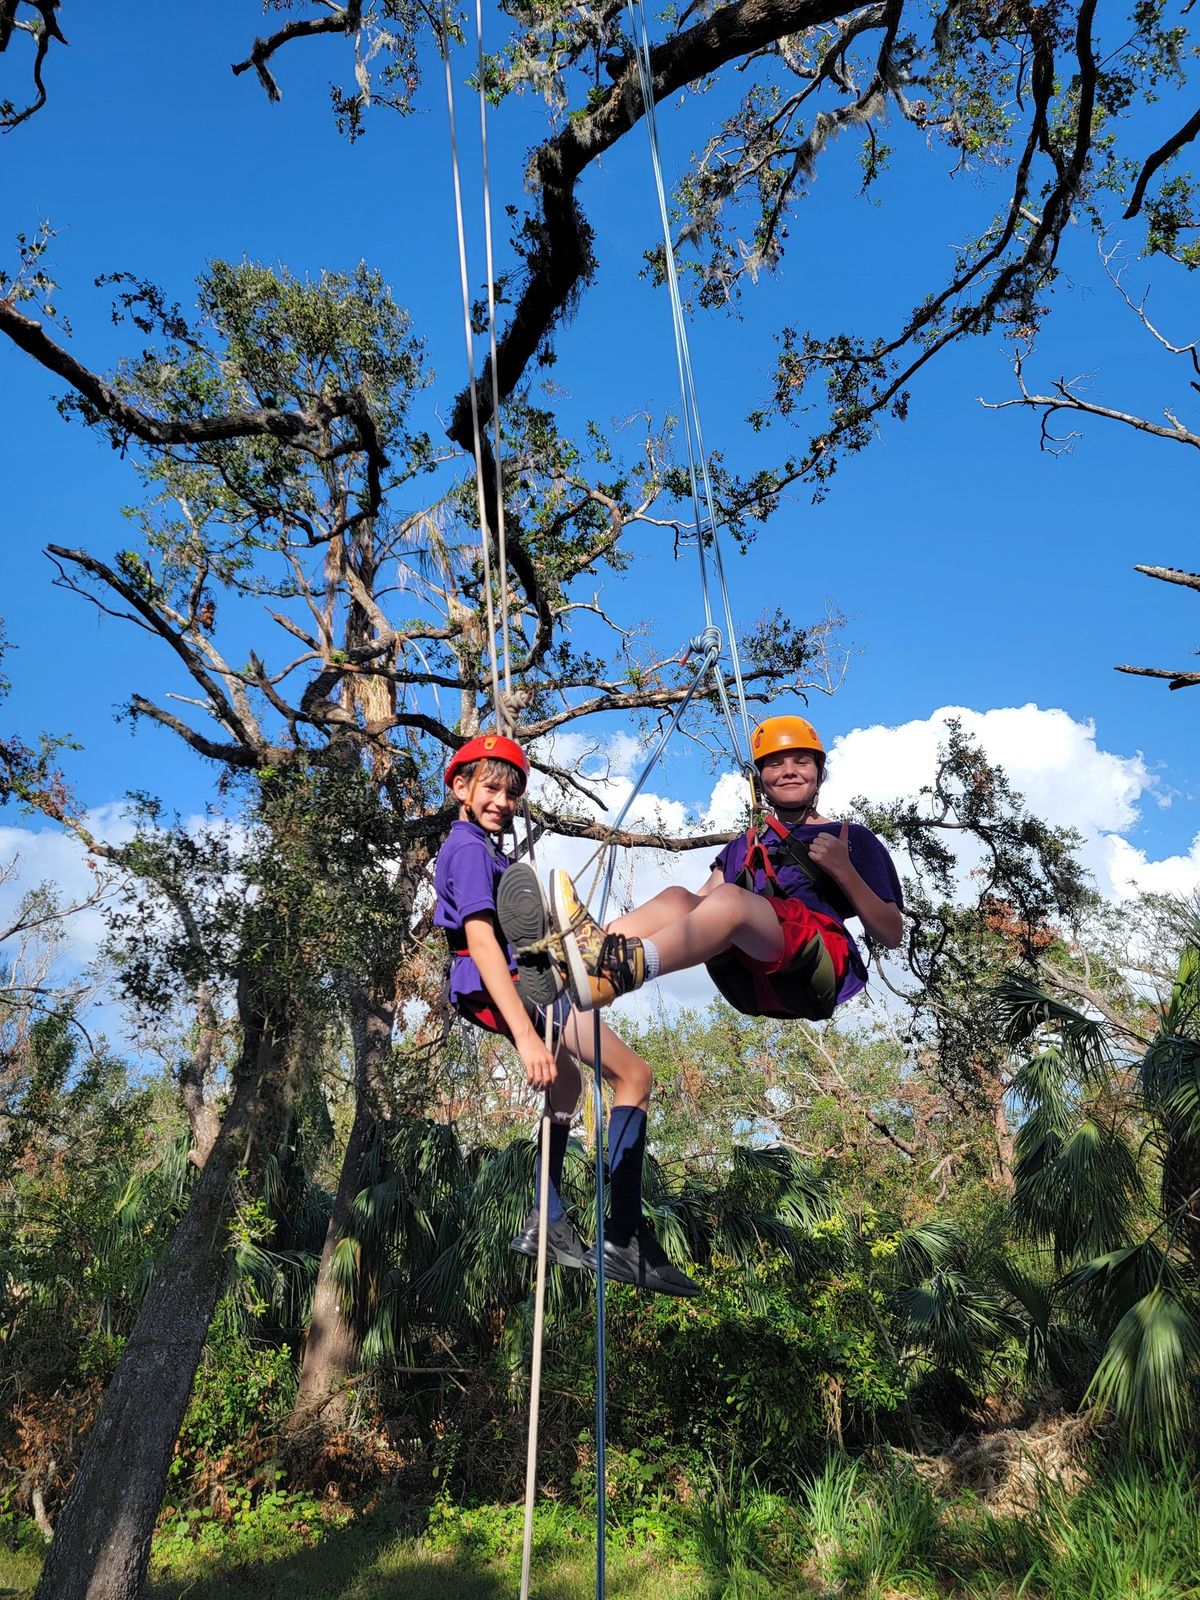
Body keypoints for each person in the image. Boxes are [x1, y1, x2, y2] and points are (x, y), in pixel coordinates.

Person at [433, 732, 699, 1296]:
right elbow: (480, 942)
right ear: (460, 786)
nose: (502, 801)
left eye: (512, 792)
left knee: (568, 1086)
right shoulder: (467, 850)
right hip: (515, 982)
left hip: (519, 978)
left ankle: (546, 1220)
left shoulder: (483, 849)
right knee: (634, 1076)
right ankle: (623, 1237)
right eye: (490, 787)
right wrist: (529, 1037)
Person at [547, 715, 903, 1017]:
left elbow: (891, 933)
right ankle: (580, 957)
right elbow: (697, 905)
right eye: (776, 763)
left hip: (816, 964)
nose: (789, 772)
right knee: (678, 898)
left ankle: (618, 970)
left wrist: (844, 870)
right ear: (760, 779)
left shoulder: (849, 838)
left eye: (801, 762)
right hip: (749, 974)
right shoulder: (745, 846)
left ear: (819, 773)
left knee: (730, 900)